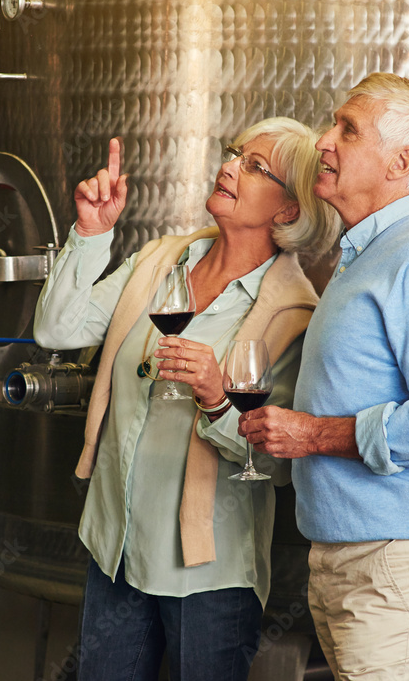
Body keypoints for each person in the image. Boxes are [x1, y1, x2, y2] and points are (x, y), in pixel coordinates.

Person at [33, 117, 340, 681]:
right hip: (116, 545)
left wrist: (219, 398)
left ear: (288, 210)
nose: (228, 167)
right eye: (233, 154)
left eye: (254, 167)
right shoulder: (160, 263)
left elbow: (276, 462)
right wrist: (91, 234)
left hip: (208, 574)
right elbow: (58, 329)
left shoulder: (295, 318)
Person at [240, 73, 409, 680]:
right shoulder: (366, 255)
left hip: (394, 559)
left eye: (348, 130)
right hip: (348, 555)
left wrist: (314, 437)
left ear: (400, 162)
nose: (323, 142)